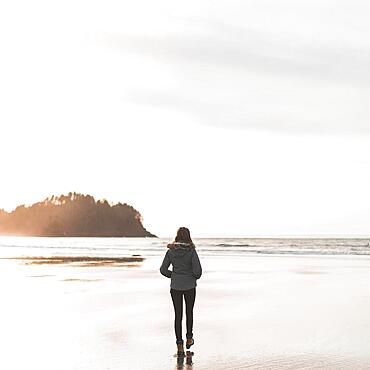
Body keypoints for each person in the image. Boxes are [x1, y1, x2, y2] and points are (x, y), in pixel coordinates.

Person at [160, 227, 202, 357]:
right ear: (188, 236)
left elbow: (163, 269)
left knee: (178, 316)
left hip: (176, 287)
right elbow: (198, 272)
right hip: (190, 287)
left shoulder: (171, 251)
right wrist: (190, 276)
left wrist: (174, 275)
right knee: (189, 312)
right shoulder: (191, 251)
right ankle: (189, 338)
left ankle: (179, 345)